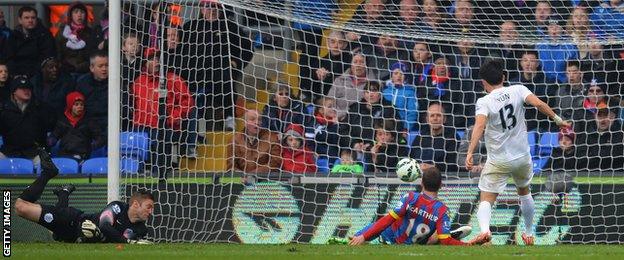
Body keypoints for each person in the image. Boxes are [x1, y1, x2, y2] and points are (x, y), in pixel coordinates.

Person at [465, 59, 570, 245]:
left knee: (487, 197)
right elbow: (538, 104)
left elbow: (479, 125)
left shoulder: (484, 101)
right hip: (522, 157)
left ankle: (485, 231)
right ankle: (529, 233)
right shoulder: (518, 89)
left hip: (499, 160)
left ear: (483, 82)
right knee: (524, 192)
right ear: (503, 77)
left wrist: (470, 152)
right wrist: (557, 119)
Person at [14, 148, 154, 243]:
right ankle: (48, 174)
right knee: (21, 207)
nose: (151, 211)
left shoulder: (142, 229)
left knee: (56, 234)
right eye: (149, 207)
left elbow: (118, 243)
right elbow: (104, 226)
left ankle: (63, 193)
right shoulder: (117, 207)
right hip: (73, 221)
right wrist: (126, 241)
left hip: (71, 237)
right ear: (135, 204)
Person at [349, 167, 489, 246]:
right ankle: (445, 234)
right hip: (413, 244)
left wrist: (364, 236)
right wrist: (468, 245)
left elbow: (388, 220)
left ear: (421, 182)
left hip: (389, 238)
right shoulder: (442, 210)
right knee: (440, 236)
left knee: (355, 239)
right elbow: (446, 241)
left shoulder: (410, 197)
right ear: (441, 185)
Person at [0, 76, 55, 162]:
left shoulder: (40, 108)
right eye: (22, 88)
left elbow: (49, 128)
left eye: (28, 88)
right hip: (9, 151)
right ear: (14, 91)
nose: (27, 91)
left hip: (34, 152)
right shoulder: (4, 110)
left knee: (44, 163)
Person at [48, 91, 105, 161]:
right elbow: (54, 135)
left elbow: (100, 137)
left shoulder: (89, 121)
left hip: (82, 155)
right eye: (76, 104)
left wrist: (92, 146)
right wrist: (51, 140)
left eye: (81, 104)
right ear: (70, 105)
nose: (80, 107)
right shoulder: (63, 121)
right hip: (63, 155)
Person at [2, 6, 56, 77]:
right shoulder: (13, 36)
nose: (30, 20)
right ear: (20, 20)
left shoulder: (45, 35)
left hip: (38, 74)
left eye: (33, 18)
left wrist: (31, 73)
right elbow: (9, 58)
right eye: (26, 18)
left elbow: (46, 57)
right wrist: (16, 74)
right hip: (16, 74)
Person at [226, 109, 281, 173]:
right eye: (252, 119)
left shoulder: (272, 138)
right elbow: (231, 166)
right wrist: (242, 175)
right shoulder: (234, 140)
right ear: (245, 122)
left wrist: (253, 174)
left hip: (265, 180)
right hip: (243, 180)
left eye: (259, 119)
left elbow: (275, 164)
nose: (257, 122)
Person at [56, 2, 97, 74]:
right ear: (70, 15)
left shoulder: (90, 33)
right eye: (76, 12)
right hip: (65, 71)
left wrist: (83, 67)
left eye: (82, 12)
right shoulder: (62, 32)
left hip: (85, 71)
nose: (79, 15)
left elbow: (92, 55)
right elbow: (57, 53)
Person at [76, 51, 108, 133]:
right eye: (100, 66)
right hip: (88, 124)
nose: (104, 69)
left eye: (107, 65)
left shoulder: (117, 83)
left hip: (110, 124)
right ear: (92, 68)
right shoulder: (82, 83)